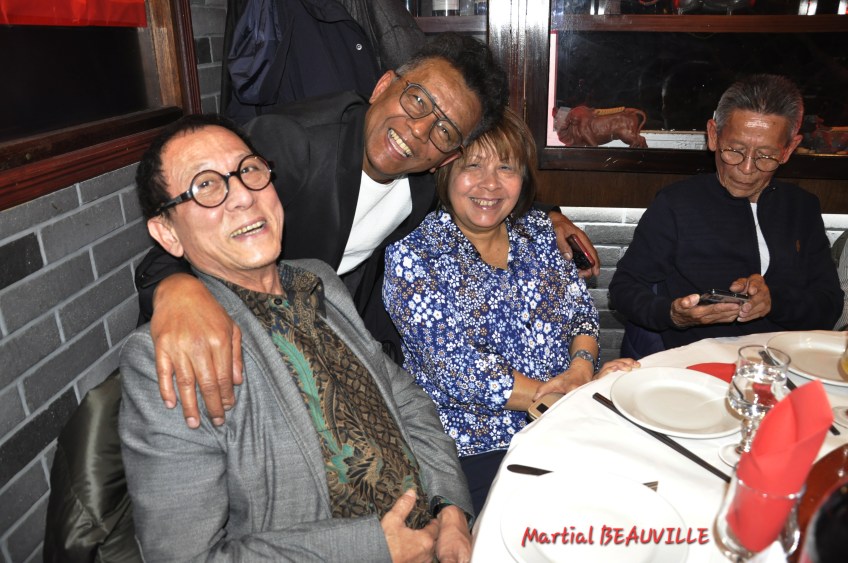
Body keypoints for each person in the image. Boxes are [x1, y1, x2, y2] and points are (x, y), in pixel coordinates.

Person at [134, 33, 600, 428]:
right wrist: (176, 291)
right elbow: (185, 229)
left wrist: (548, 215)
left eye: (443, 131)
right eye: (417, 100)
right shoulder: (292, 145)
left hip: (328, 350)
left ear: (446, 158)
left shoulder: (422, 184)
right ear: (382, 86)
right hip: (233, 350)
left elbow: (482, 189)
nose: (418, 131)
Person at [121, 113, 474, 561]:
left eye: (249, 170)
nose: (243, 197)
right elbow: (184, 557)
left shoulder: (318, 281)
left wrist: (450, 508)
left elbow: (406, 402)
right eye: (205, 185)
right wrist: (372, 550)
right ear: (168, 233)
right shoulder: (172, 357)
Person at [382, 109, 637, 512]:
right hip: (471, 446)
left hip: (563, 424)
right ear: (446, 171)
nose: (490, 184)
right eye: (473, 166)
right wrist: (571, 396)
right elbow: (457, 370)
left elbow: (581, 314)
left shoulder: (540, 230)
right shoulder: (414, 252)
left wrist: (582, 369)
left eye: (506, 167)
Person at [609, 74, 842, 358]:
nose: (746, 169)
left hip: (785, 364)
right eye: (735, 150)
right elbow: (624, 289)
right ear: (713, 135)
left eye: (765, 156)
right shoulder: (676, 204)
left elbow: (828, 306)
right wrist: (673, 315)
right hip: (698, 366)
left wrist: (774, 302)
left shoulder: (801, 207)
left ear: (789, 149)